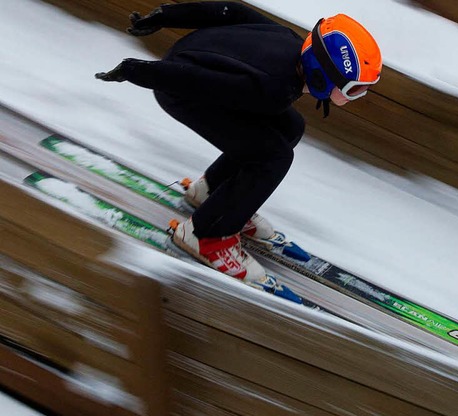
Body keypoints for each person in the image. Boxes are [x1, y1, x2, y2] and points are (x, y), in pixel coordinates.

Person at [96, 1, 382, 286]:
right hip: (181, 89)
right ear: (322, 75)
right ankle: (206, 235)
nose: (360, 96)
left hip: (198, 68)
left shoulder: (290, 44)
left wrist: (166, 15)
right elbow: (200, 81)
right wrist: (136, 71)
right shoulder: (272, 87)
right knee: (273, 158)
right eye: (354, 89)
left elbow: (233, 13)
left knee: (290, 126)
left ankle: (213, 194)